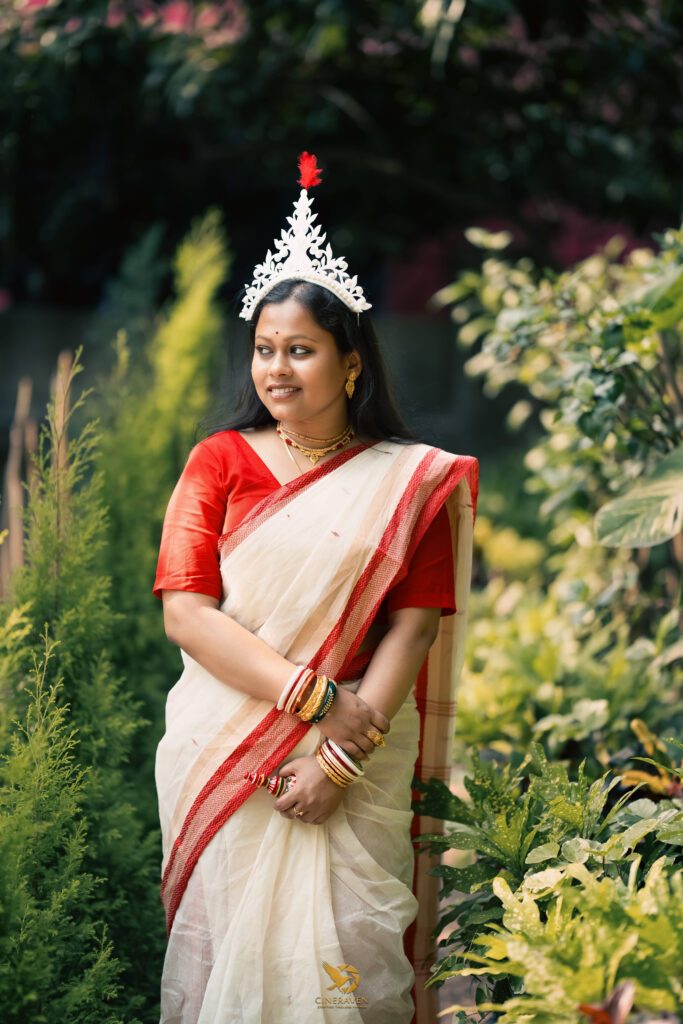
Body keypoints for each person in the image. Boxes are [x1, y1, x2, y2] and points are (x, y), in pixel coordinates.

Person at [153, 153, 478, 1024]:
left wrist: (337, 755)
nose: (276, 369)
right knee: (234, 964)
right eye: (264, 350)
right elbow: (185, 610)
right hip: (226, 747)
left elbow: (413, 627)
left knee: (340, 967)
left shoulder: (406, 482)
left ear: (351, 364)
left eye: (300, 350)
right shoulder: (216, 462)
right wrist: (312, 701)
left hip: (357, 759)